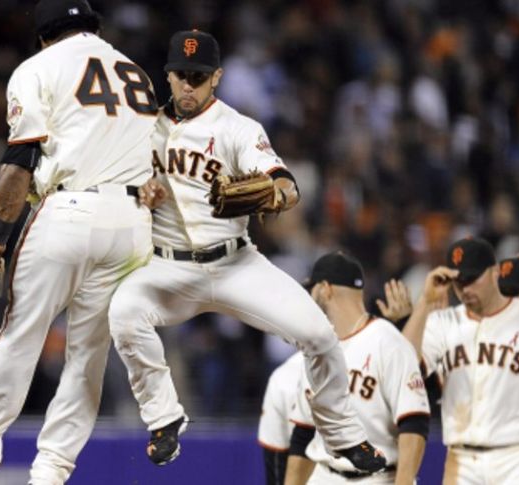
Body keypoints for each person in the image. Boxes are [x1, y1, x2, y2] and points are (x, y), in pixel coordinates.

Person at [108, 29, 385, 474]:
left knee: (318, 335)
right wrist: (140, 193)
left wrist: (275, 195)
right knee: (123, 314)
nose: (187, 85)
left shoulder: (237, 128)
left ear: (216, 78)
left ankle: (342, 435)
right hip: (168, 267)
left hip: (235, 263)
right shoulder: (143, 130)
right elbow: (117, 189)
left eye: (198, 77)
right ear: (168, 75)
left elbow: (284, 183)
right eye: (180, 75)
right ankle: (164, 419)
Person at [0, 2, 163, 484]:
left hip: (70, 209)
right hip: (132, 224)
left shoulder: (38, 68)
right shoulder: (137, 72)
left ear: (44, 35)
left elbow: (19, 161)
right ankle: (52, 468)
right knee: (89, 352)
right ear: (94, 27)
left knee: (24, 326)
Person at [276, 252, 429, 485]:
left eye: (313, 290)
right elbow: (303, 434)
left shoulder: (389, 343)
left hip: (377, 478)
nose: (310, 298)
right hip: (323, 475)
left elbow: (414, 424)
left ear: (326, 289)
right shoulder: (317, 350)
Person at [402, 237, 519, 484]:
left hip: (516, 457)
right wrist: (424, 303)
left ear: (494, 272)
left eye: (472, 279)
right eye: (459, 282)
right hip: (461, 459)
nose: (466, 289)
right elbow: (404, 367)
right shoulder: (443, 322)